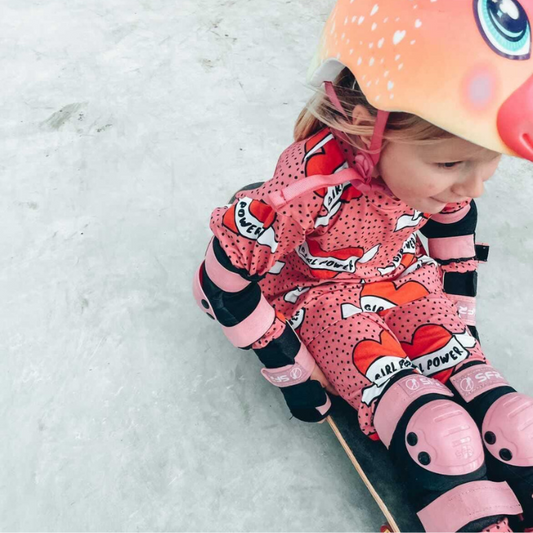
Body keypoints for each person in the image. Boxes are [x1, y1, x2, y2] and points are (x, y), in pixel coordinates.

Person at [192, 1, 533, 531]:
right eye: (450, 165)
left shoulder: (441, 179)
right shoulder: (303, 193)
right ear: (364, 123)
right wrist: (292, 368)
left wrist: (458, 313)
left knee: (518, 425)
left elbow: (454, 219)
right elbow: (220, 281)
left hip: (409, 281)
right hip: (321, 299)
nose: (471, 186)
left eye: (488, 164)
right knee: (440, 433)